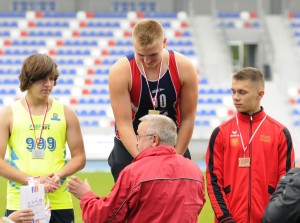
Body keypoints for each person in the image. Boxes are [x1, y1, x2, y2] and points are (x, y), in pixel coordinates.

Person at [67, 114, 205, 223]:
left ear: (154, 140)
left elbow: (106, 217)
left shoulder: (134, 172)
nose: (137, 143)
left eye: (139, 136)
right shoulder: (195, 171)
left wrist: (86, 196)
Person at [108, 19, 198, 181]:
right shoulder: (120, 71)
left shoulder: (184, 67)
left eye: (153, 55)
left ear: (164, 42)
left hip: (171, 142)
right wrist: (142, 160)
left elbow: (188, 118)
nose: (147, 61)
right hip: (132, 143)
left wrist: (174, 158)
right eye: (141, 55)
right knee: (128, 203)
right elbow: (123, 123)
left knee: (177, 200)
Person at [0, 53, 86, 223]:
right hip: (21, 202)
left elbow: (79, 157)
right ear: (29, 79)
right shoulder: (9, 113)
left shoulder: (66, 113)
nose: (48, 84)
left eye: (52, 78)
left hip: (59, 203)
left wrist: (58, 176)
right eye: (42, 79)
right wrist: (33, 181)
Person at [205, 67, 295, 223]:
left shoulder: (280, 133)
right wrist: (225, 219)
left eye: (242, 92)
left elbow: (286, 182)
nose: (235, 97)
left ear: (260, 95)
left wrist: (273, 217)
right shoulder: (221, 133)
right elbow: (213, 181)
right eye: (233, 91)